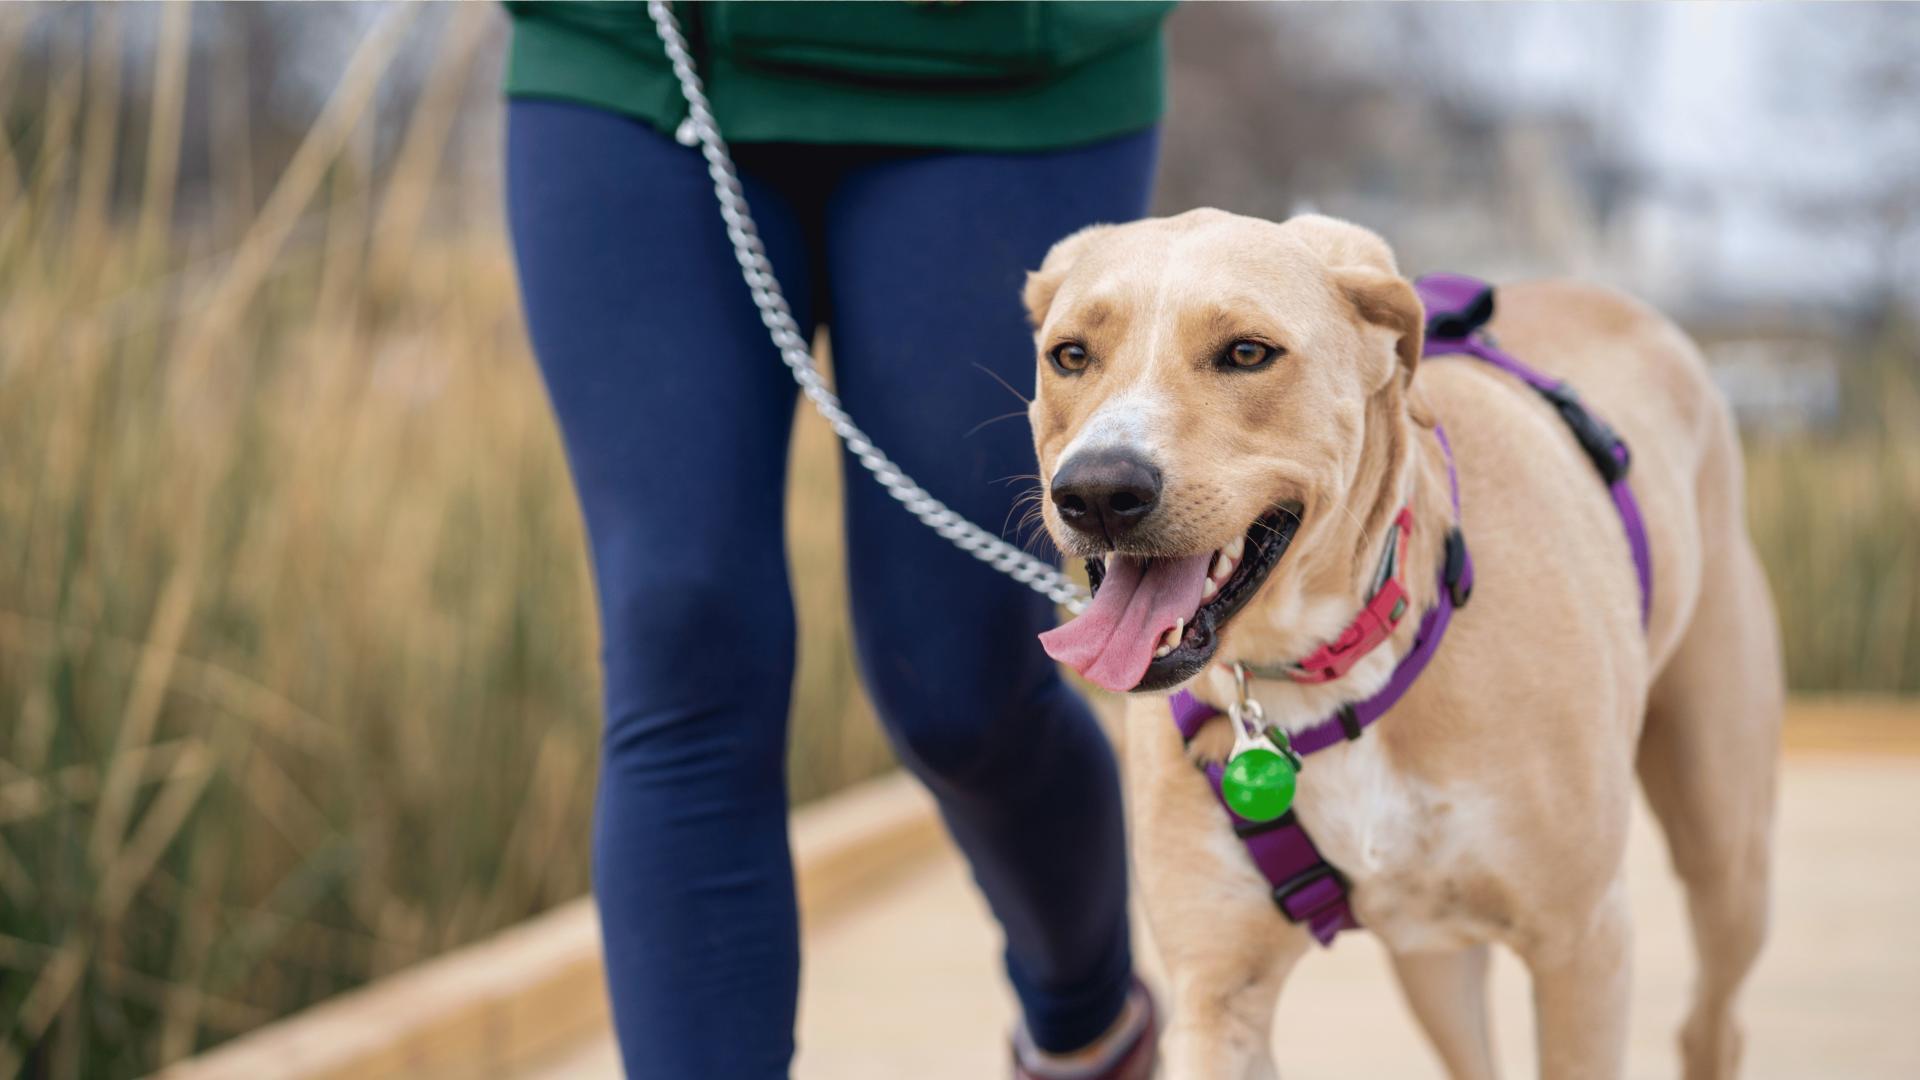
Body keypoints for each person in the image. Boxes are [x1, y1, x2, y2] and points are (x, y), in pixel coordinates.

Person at [502, 3, 1173, 1076]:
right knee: (683, 633)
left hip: (1000, 79)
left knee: (959, 681)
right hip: (642, 64)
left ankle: (1090, 1020)